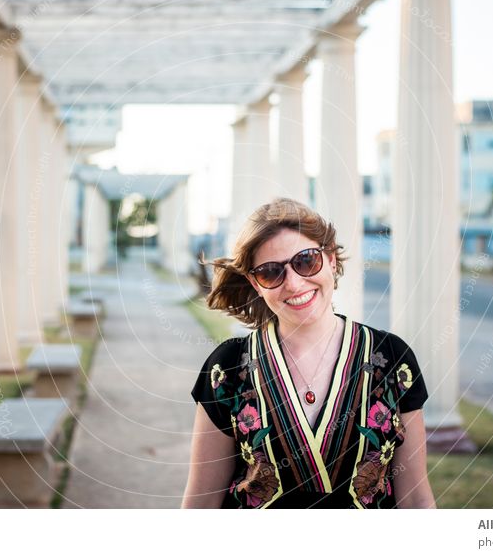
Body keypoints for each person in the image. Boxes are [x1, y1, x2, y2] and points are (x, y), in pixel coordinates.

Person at [181, 198, 436, 509]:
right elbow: (200, 505)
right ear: (255, 283)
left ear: (330, 259)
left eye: (306, 261)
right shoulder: (228, 368)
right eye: (271, 272)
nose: (294, 283)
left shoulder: (393, 359)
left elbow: (416, 501)